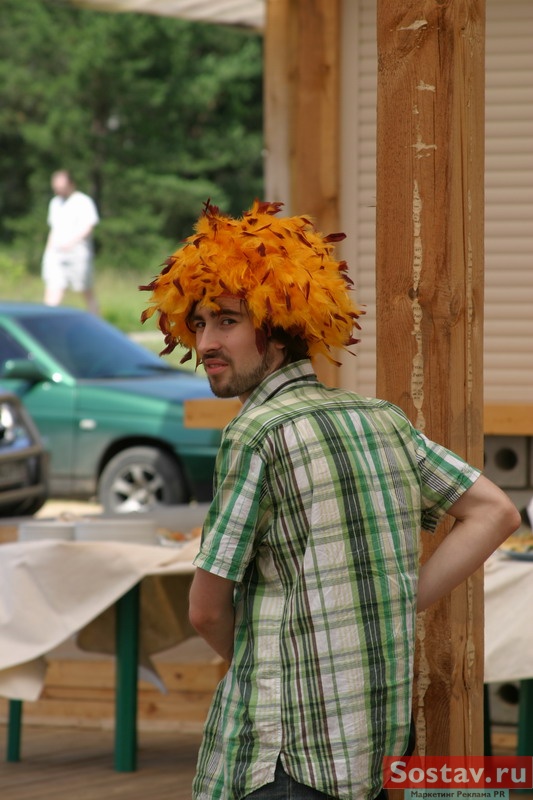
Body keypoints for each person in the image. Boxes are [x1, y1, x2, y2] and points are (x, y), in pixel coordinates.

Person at [141, 200, 520, 800]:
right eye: (200, 323)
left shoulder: (256, 432)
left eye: (228, 321)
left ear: (282, 327)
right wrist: (400, 598)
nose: (206, 341)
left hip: (283, 754)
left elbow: (206, 611)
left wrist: (263, 668)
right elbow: (495, 511)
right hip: (370, 747)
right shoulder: (380, 418)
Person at [41, 169, 100, 314]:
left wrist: (71, 242)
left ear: (71, 185)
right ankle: (48, 321)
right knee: (54, 287)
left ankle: (96, 320)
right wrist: (48, 252)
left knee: (85, 289)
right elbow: (53, 229)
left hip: (78, 253)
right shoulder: (54, 203)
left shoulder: (83, 201)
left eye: (61, 187)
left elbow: (89, 226)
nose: (58, 191)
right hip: (56, 253)